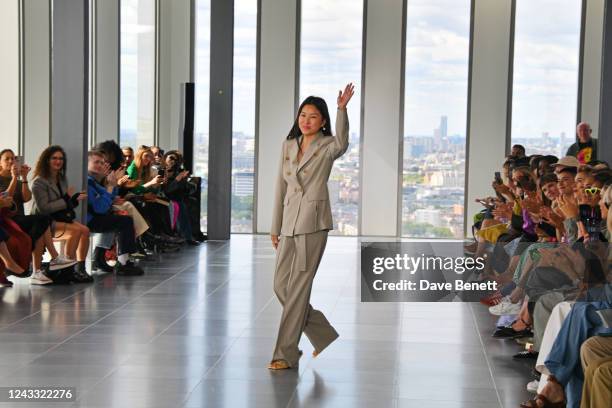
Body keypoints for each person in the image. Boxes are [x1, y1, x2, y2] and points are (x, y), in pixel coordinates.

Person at [268, 83, 354, 370]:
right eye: (303, 115)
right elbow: (280, 187)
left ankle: (285, 353)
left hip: (313, 223)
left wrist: (342, 109)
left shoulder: (328, 145)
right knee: (281, 286)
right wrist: (275, 226)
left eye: (313, 116)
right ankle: (322, 333)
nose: (306, 120)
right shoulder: (288, 145)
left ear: (323, 121)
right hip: (289, 222)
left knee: (299, 289)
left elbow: (342, 142)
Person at [0, 149, 75, 284]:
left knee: (42, 225)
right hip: (7, 220)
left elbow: (26, 198)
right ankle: (53, 258)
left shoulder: (16, 179)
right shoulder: (4, 179)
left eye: (13, 158)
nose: (11, 161)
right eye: (7, 159)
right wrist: (13, 178)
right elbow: (6, 200)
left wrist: (23, 178)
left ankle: (38, 271)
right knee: (42, 220)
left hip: (19, 217)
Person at [31, 145, 93, 283]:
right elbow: (44, 209)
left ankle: (78, 268)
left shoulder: (62, 179)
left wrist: (73, 199)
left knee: (85, 230)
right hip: (44, 222)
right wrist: (66, 199)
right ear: (47, 160)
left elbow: (63, 203)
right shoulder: (39, 182)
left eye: (60, 158)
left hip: (58, 218)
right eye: (54, 158)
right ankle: (65, 270)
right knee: (76, 231)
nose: (58, 161)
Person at [86, 150, 144, 276]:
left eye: (102, 162)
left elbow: (110, 197)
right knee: (124, 221)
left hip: (96, 217)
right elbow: (100, 208)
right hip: (88, 220)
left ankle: (102, 257)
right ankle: (123, 263)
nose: (100, 165)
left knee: (119, 218)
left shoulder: (94, 181)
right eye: (96, 162)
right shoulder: (88, 182)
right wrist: (111, 187)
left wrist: (111, 185)